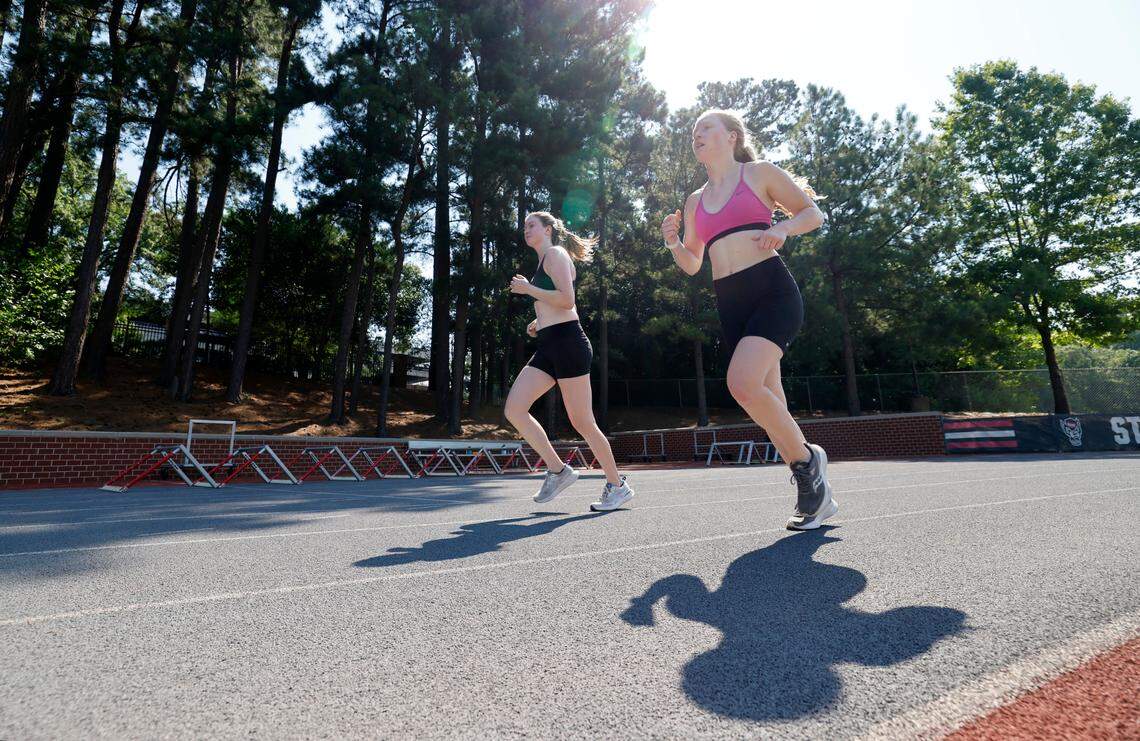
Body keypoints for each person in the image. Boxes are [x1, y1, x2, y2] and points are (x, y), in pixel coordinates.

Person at [660, 109, 836, 530]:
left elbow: (812, 214)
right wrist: (671, 243)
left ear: (732, 136)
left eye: (706, 128)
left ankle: (809, 462)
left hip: (771, 290)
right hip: (731, 302)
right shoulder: (694, 200)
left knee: (742, 384)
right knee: (769, 399)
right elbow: (691, 263)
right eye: (694, 131)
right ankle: (814, 493)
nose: (697, 135)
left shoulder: (758, 174)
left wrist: (784, 229)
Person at [505, 211, 634, 512]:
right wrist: (539, 322)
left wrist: (529, 290)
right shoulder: (543, 261)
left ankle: (618, 486)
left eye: (532, 225)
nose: (526, 229)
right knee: (514, 408)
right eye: (524, 226)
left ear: (548, 229)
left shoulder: (555, 254)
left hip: (568, 344)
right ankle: (559, 470)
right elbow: (555, 303)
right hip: (550, 344)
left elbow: (567, 300)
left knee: (583, 422)